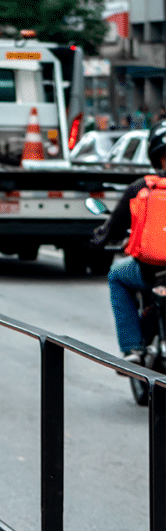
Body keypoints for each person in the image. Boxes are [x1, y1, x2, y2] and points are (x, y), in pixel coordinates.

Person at [91, 120, 166, 364]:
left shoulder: (142, 186)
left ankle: (132, 348)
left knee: (116, 276)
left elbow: (112, 227)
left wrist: (101, 239)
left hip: (149, 271)